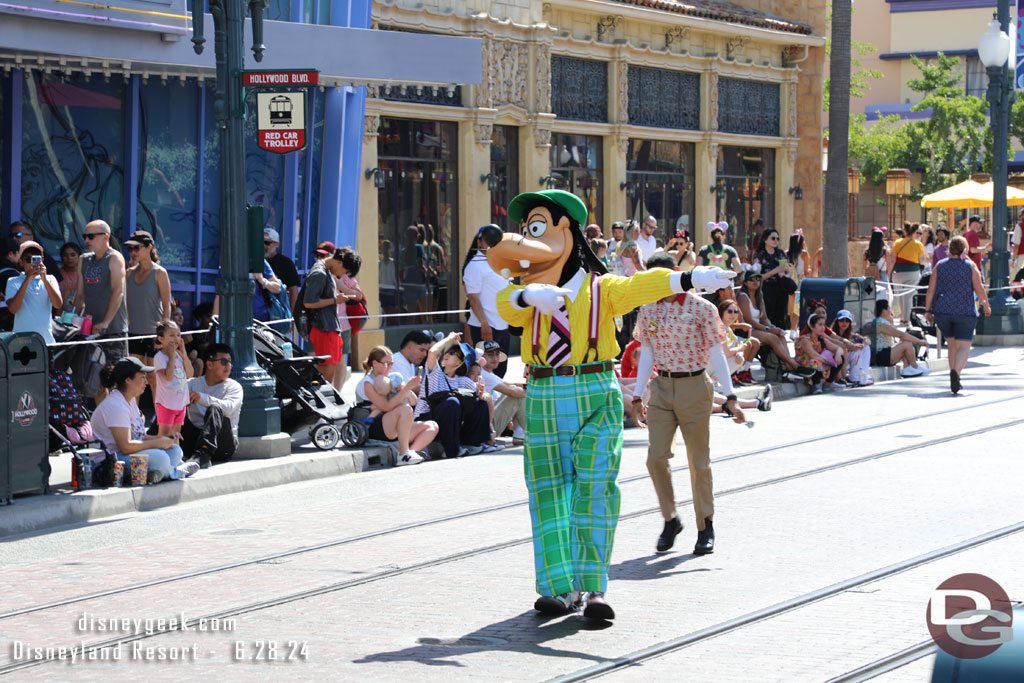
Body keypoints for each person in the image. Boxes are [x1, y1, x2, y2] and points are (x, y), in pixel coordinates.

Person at [487, 188, 735, 621]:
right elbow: (504, 307)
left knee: (596, 489)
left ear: (567, 230)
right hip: (543, 393)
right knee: (547, 493)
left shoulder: (603, 289)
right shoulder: (524, 289)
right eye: (528, 230)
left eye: (539, 227)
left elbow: (644, 284)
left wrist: (691, 279)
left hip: (594, 391)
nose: (529, 238)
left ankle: (593, 587)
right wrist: (529, 297)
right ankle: (558, 588)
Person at [632, 251, 745, 557]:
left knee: (699, 461)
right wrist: (638, 392)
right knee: (655, 458)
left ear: (676, 274)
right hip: (663, 388)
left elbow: (717, 353)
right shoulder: (648, 309)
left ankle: (705, 525)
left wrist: (731, 395)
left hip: (695, 385)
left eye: (662, 277)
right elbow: (649, 353)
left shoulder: (702, 308)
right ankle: (671, 519)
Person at [91, 357, 198, 483]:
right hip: (110, 462)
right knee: (161, 457)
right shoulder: (115, 405)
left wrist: (165, 439)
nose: (146, 382)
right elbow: (125, 447)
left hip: (127, 454)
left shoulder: (129, 400)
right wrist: (158, 443)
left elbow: (140, 436)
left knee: (175, 451)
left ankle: (155, 472)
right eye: (142, 377)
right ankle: (175, 472)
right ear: (128, 380)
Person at [925, 235, 990, 394]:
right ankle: (956, 373)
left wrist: (927, 310)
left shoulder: (939, 265)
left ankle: (953, 375)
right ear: (964, 249)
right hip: (964, 312)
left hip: (943, 311)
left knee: (952, 345)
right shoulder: (970, 266)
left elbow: (931, 289)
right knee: (964, 347)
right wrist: (986, 305)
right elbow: (979, 289)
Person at [413, 332, 491, 459]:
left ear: (460, 363)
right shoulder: (436, 373)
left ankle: (471, 443)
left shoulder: (464, 381)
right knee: (452, 402)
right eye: (448, 351)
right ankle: (451, 450)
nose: (447, 354)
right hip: (425, 420)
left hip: (449, 424)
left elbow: (481, 401)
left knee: (480, 404)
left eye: (453, 353)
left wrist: (481, 396)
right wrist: (449, 338)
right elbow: (432, 352)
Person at [356, 345, 437, 466]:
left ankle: (410, 453)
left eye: (391, 364)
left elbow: (414, 401)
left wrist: (404, 388)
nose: (390, 368)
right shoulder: (368, 382)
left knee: (432, 426)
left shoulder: (391, 378)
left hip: (392, 423)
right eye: (387, 364)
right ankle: (404, 453)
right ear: (375, 363)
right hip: (373, 425)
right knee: (405, 409)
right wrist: (407, 388)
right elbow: (386, 407)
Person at [736, 269, 812, 381]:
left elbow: (764, 318)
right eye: (751, 279)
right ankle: (795, 367)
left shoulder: (759, 295)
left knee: (781, 334)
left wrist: (772, 327)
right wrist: (768, 329)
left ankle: (789, 369)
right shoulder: (742, 296)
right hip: (746, 329)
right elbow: (749, 320)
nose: (755, 281)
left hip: (759, 328)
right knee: (772, 337)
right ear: (745, 282)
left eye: (758, 278)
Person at [75, 219, 129, 363]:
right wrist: (74, 321)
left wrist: (105, 322)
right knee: (90, 378)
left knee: (115, 377)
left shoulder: (114, 257)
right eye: (84, 236)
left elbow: (118, 291)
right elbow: (80, 295)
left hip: (113, 330)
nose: (87, 240)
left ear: (105, 236)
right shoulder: (83, 259)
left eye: (91, 236)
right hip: (89, 329)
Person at [462, 225, 511, 377]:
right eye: (489, 239)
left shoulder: (501, 260)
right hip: (486, 328)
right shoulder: (475, 265)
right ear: (480, 242)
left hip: (503, 325)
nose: (493, 243)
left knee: (501, 370)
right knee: (486, 372)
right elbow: (473, 298)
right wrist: (484, 323)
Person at [183, 343, 243, 468]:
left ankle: (204, 454)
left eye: (229, 362)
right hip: (194, 441)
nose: (228, 366)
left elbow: (229, 409)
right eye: (223, 361)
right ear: (209, 364)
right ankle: (153, 445)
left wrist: (202, 398)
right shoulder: (192, 384)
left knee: (216, 409)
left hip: (223, 446)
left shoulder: (234, 387)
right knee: (172, 409)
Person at [301, 245, 352, 383]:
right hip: (322, 328)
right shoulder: (319, 273)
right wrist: (336, 300)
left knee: (329, 373)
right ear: (339, 262)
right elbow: (309, 302)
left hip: (328, 327)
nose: (341, 274)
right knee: (325, 375)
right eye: (344, 270)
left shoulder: (326, 272)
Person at [124, 230, 171, 364]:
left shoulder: (160, 273)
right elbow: (126, 304)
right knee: (134, 375)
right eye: (130, 248)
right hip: (132, 333)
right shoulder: (129, 273)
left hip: (154, 335)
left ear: (149, 247)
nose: (133, 252)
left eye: (137, 248)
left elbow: (167, 306)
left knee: (153, 377)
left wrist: (163, 335)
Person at [4, 241, 62, 344]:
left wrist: (44, 279)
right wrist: (28, 279)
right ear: (21, 262)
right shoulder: (13, 281)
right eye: (28, 259)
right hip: (21, 341)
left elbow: (58, 304)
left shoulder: (50, 279)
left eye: (36, 259)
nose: (32, 263)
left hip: (46, 341)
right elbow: (13, 309)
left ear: (42, 260)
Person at [476, 340, 526, 446]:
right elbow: (511, 392)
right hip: (486, 426)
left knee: (518, 391)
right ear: (481, 357)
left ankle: (522, 434)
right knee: (516, 395)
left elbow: (510, 385)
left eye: (497, 354)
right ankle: (530, 432)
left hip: (490, 422)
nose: (495, 358)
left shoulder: (488, 373)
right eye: (490, 355)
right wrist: (536, 391)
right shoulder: (481, 373)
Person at [153, 320, 193, 443]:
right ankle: (162, 456)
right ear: (161, 338)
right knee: (164, 435)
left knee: (176, 433)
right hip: (166, 403)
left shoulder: (179, 355)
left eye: (178, 335)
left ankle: (175, 456)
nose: (176, 338)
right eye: (171, 335)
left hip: (180, 403)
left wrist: (185, 356)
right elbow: (168, 377)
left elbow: (190, 374)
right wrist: (171, 357)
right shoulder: (159, 357)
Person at [871, 299, 930, 377]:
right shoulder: (880, 323)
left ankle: (907, 368)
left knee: (905, 342)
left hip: (885, 353)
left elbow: (897, 336)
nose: (890, 310)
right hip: (881, 356)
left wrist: (891, 321)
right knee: (906, 343)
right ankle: (915, 366)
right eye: (889, 308)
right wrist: (920, 342)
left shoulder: (884, 321)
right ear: (884, 310)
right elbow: (900, 334)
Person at [333, 246, 365, 392]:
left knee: (340, 360)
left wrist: (341, 286)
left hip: (342, 324)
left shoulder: (345, 276)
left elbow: (358, 295)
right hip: (321, 324)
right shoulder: (319, 273)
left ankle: (337, 392)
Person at [755, 228, 798, 329]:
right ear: (765, 239)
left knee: (780, 319)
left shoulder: (780, 253)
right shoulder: (759, 255)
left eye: (778, 239)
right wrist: (776, 270)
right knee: (768, 318)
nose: (776, 241)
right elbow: (757, 277)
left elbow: (786, 272)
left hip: (781, 290)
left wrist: (785, 273)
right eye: (773, 238)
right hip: (766, 291)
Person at [717, 300, 760, 386]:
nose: (733, 314)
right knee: (742, 351)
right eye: (730, 311)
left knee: (740, 358)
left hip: (720, 361)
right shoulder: (719, 327)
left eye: (736, 311)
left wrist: (740, 353)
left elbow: (735, 345)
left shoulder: (727, 328)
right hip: (710, 363)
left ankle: (743, 370)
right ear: (721, 312)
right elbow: (727, 353)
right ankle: (715, 381)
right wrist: (740, 348)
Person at [890, 222, 927, 324]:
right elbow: (922, 260)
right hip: (913, 271)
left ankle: (901, 317)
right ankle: (906, 318)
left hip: (898, 271)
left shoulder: (898, 242)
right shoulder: (918, 244)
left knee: (900, 294)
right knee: (909, 295)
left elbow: (892, 259)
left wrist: (890, 272)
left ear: (905, 231)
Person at [796, 313, 842, 394]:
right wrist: (828, 362)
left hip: (820, 362)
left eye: (823, 325)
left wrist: (838, 354)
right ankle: (816, 384)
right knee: (815, 361)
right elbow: (813, 355)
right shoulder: (805, 339)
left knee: (840, 358)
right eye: (820, 325)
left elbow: (839, 348)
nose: (823, 328)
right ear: (811, 326)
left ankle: (828, 383)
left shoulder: (820, 338)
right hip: (806, 365)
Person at [831, 309, 873, 387]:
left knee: (865, 348)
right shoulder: (833, 333)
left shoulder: (851, 335)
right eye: (841, 320)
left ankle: (863, 376)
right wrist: (852, 347)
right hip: (837, 358)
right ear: (837, 321)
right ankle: (854, 377)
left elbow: (868, 342)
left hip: (847, 360)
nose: (844, 323)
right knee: (854, 351)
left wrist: (862, 339)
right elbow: (841, 345)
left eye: (847, 321)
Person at [263, 228, 300, 308]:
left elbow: (293, 290)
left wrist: (292, 316)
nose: (263, 246)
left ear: (277, 244)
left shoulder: (286, 263)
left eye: (267, 243)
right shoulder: (253, 261)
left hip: (277, 310)